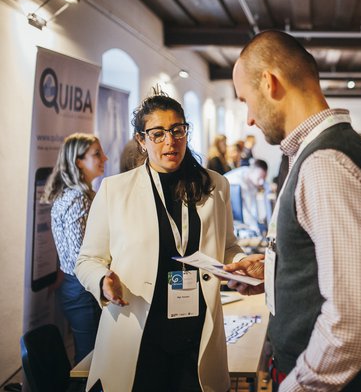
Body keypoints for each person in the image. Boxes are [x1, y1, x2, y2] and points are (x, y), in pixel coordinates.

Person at [226, 30, 361, 391]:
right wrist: (275, 270)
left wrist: (297, 387)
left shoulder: (326, 163)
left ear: (270, 83)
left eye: (246, 101)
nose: (249, 119)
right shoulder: (322, 152)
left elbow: (354, 322)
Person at [75, 93, 247, 392]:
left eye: (177, 130)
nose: (170, 141)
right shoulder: (114, 191)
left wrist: (240, 264)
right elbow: (88, 259)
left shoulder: (215, 185)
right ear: (142, 140)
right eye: (157, 134)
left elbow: (229, 245)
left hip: (197, 334)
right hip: (138, 332)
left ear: (185, 132)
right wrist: (102, 280)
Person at [42, 133, 106, 363]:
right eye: (97, 154)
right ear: (78, 161)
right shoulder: (78, 197)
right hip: (81, 287)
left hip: (77, 286)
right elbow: (82, 254)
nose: (105, 158)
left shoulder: (77, 194)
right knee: (90, 361)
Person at [224, 159, 269, 233]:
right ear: (252, 172)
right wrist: (256, 229)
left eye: (264, 178)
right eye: (259, 178)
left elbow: (253, 207)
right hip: (227, 215)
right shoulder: (239, 182)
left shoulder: (251, 175)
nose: (261, 182)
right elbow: (245, 210)